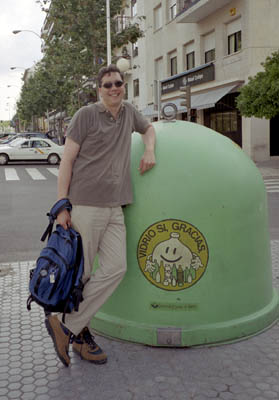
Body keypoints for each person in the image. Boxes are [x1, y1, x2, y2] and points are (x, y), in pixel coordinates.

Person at [45, 64, 156, 367]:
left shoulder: (130, 112)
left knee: (116, 268)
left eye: (118, 83)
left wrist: (150, 151)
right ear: (99, 89)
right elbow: (66, 161)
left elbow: (148, 128)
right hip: (86, 205)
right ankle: (79, 337)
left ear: (124, 84)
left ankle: (65, 326)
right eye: (107, 85)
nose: (113, 88)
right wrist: (62, 205)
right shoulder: (86, 116)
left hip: (116, 207)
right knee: (80, 275)